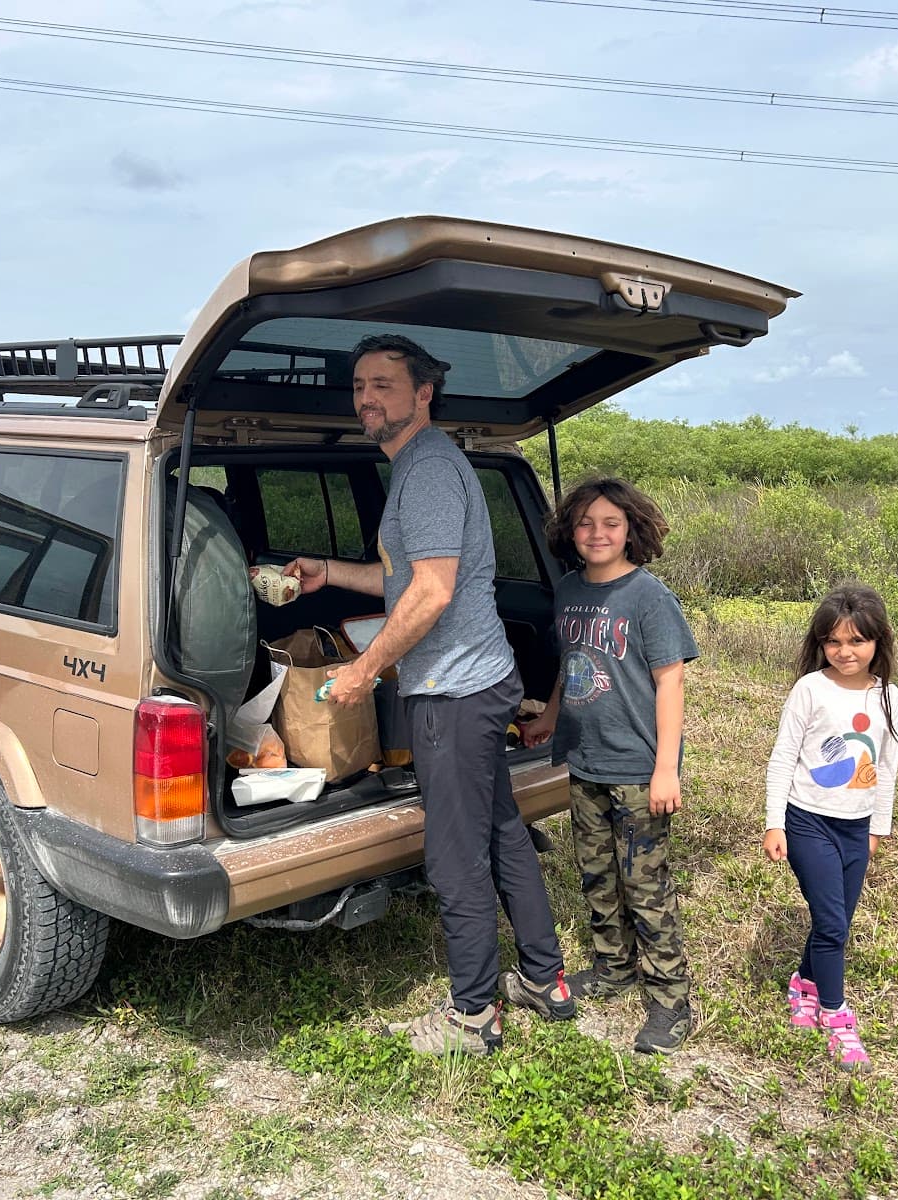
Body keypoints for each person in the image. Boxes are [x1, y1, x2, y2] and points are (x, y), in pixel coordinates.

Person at [280, 333, 572, 1057]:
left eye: (383, 384)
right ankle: (544, 979)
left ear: (422, 395)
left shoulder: (431, 469)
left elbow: (434, 593)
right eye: (359, 386)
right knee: (502, 830)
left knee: (452, 856)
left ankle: (474, 1015)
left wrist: (364, 669)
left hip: (456, 691)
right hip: (480, 680)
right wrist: (331, 575)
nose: (367, 398)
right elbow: (411, 577)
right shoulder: (416, 466)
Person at [520, 477, 698, 1054]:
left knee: (644, 885)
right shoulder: (569, 589)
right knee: (596, 870)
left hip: (637, 765)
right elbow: (571, 662)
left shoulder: (649, 597)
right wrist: (550, 714)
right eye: (586, 523)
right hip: (584, 757)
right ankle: (613, 967)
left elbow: (670, 683)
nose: (598, 533)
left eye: (611, 523)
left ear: (632, 531)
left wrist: (664, 767)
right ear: (570, 531)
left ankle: (671, 1001)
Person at [763, 583, 898, 1073]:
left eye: (857, 641)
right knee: (833, 925)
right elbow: (783, 757)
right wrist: (774, 823)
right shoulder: (810, 689)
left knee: (835, 917)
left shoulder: (889, 696)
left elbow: (887, 766)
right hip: (806, 821)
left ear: (877, 641)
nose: (846, 652)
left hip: (856, 826)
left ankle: (803, 982)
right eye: (834, 642)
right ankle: (836, 1015)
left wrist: (877, 827)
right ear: (821, 643)